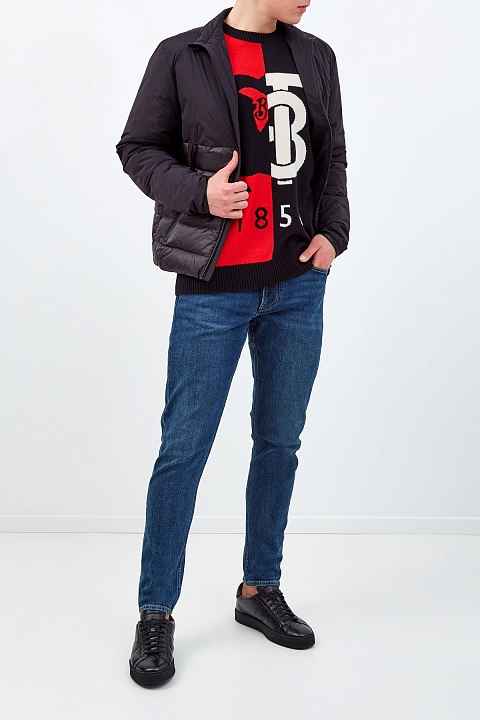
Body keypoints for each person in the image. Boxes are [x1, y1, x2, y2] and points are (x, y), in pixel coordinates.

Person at [115, 0, 349, 687]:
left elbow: (333, 155)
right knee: (182, 450)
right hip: (213, 289)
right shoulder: (183, 54)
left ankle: (259, 589)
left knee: (279, 441)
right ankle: (156, 612)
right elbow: (137, 148)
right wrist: (198, 192)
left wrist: (334, 233)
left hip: (298, 284)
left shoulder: (316, 56)